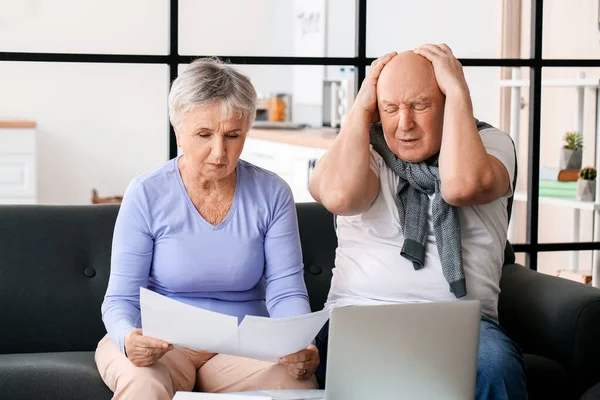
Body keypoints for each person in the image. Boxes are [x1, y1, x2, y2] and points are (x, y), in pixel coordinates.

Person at [309, 45, 527, 400]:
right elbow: (338, 197)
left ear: (446, 104)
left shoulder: (489, 143)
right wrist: (361, 110)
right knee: (308, 361)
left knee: (495, 366)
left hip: (461, 324)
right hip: (357, 317)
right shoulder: (366, 148)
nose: (404, 124)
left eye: (421, 106)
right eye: (390, 109)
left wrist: (458, 91)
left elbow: (461, 186)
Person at [95, 58, 319, 400]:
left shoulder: (272, 192)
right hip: (162, 345)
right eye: (204, 134)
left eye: (233, 135)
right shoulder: (146, 192)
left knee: (294, 384)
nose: (219, 152)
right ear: (178, 130)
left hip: (243, 348)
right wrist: (128, 338)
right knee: (143, 383)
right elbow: (121, 298)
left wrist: (299, 344)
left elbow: (286, 291)